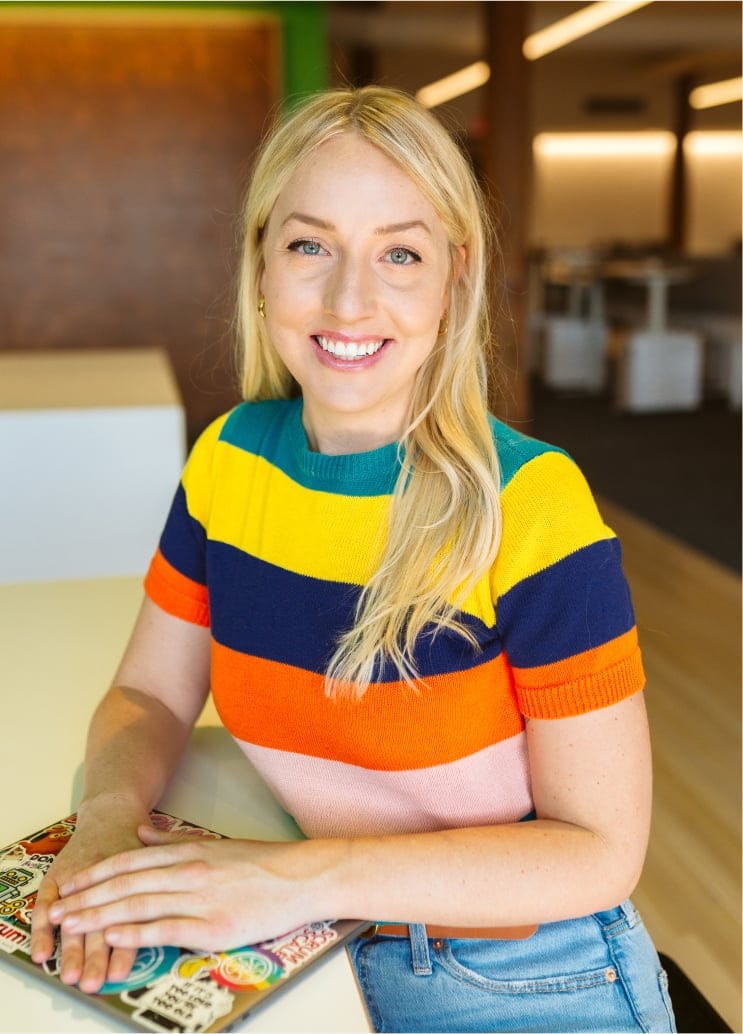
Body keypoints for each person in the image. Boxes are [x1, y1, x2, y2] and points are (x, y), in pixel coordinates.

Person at [30, 85, 676, 1033]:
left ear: (454, 276)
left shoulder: (533, 504)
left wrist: (290, 880)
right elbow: (151, 696)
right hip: (307, 941)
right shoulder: (230, 460)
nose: (348, 299)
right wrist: (104, 822)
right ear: (260, 265)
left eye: (399, 254)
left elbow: (599, 851)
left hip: (521, 973)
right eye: (309, 246)